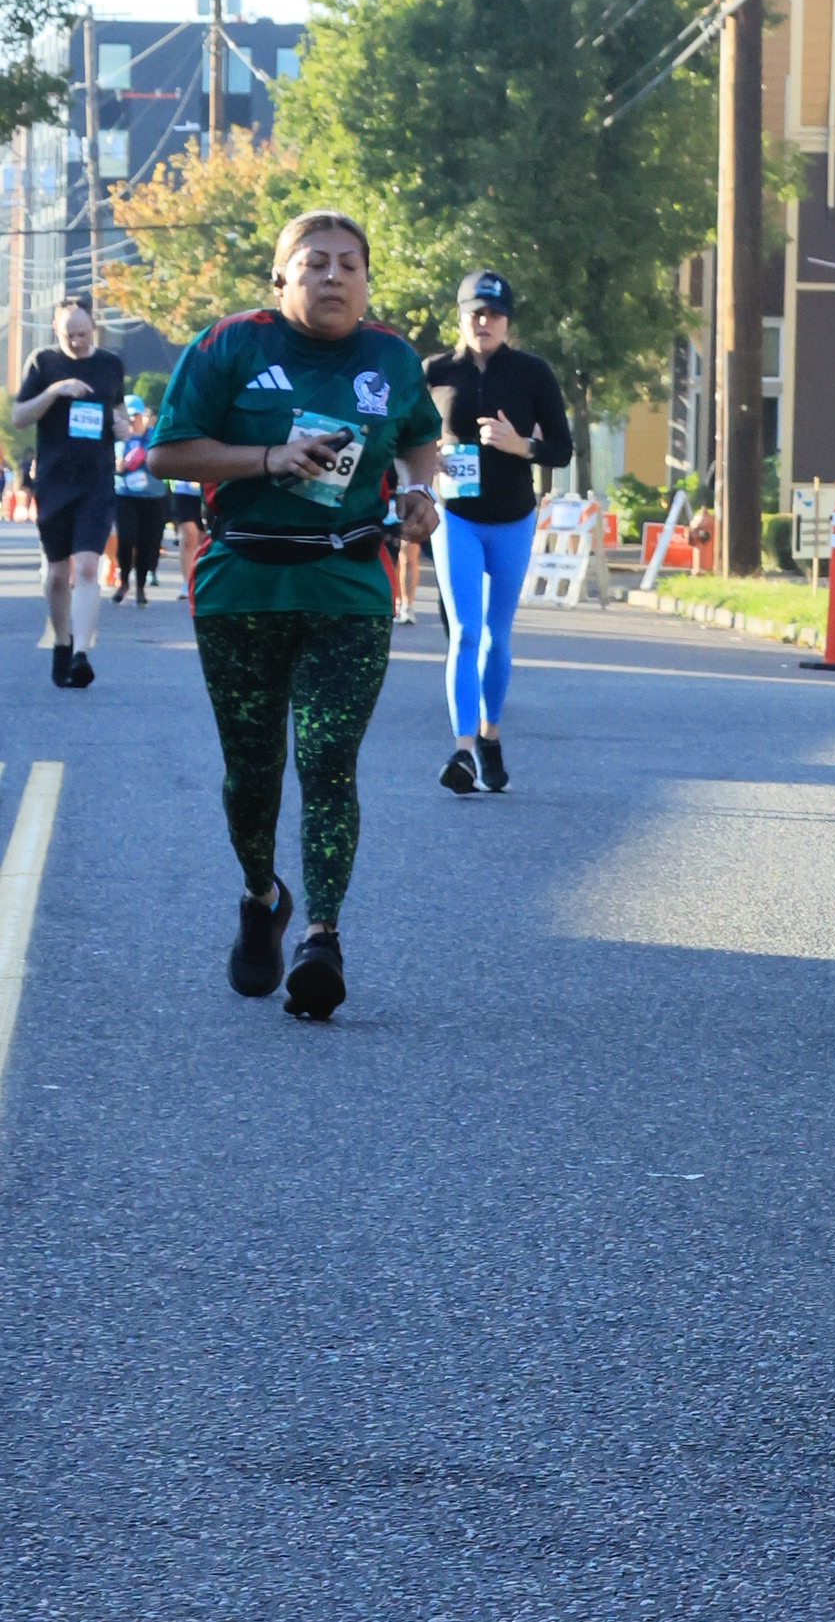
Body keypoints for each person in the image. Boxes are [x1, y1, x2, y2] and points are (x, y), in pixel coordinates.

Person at [149, 211, 442, 1021]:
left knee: (327, 760)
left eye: (350, 263)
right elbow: (166, 452)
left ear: (367, 281)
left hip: (348, 585)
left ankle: (322, 938)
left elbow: (421, 436)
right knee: (252, 775)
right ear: (280, 278)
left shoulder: (390, 357)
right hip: (242, 585)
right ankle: (261, 894)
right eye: (314, 262)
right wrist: (268, 458)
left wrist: (419, 490)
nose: (333, 275)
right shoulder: (229, 346)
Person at [420, 269, 572, 793]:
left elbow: (562, 449)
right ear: (460, 316)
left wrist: (520, 446)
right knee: (464, 632)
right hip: (455, 517)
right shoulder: (435, 372)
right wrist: (428, 455)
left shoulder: (532, 373)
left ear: (507, 321)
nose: (484, 322)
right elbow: (403, 435)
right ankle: (462, 751)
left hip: (512, 517)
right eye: (476, 313)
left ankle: (489, 736)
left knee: (495, 638)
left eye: (495, 314)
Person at [15, 297, 124, 686]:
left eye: (82, 334)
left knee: (89, 567)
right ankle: (62, 642)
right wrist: (55, 391)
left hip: (96, 480)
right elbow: (19, 416)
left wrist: (121, 426)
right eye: (68, 336)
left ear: (94, 326)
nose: (77, 342)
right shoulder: (43, 363)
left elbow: (118, 410)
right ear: (55, 331)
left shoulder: (110, 364)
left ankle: (81, 653)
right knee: (59, 575)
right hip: (55, 481)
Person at [111, 407, 170, 605]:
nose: (131, 419)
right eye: (127, 416)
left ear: (142, 416)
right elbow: (109, 462)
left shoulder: (154, 436)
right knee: (125, 538)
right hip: (124, 495)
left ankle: (140, 587)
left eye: (135, 415)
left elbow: (163, 458)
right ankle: (124, 581)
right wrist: (117, 465)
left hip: (152, 497)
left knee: (147, 543)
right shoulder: (118, 437)